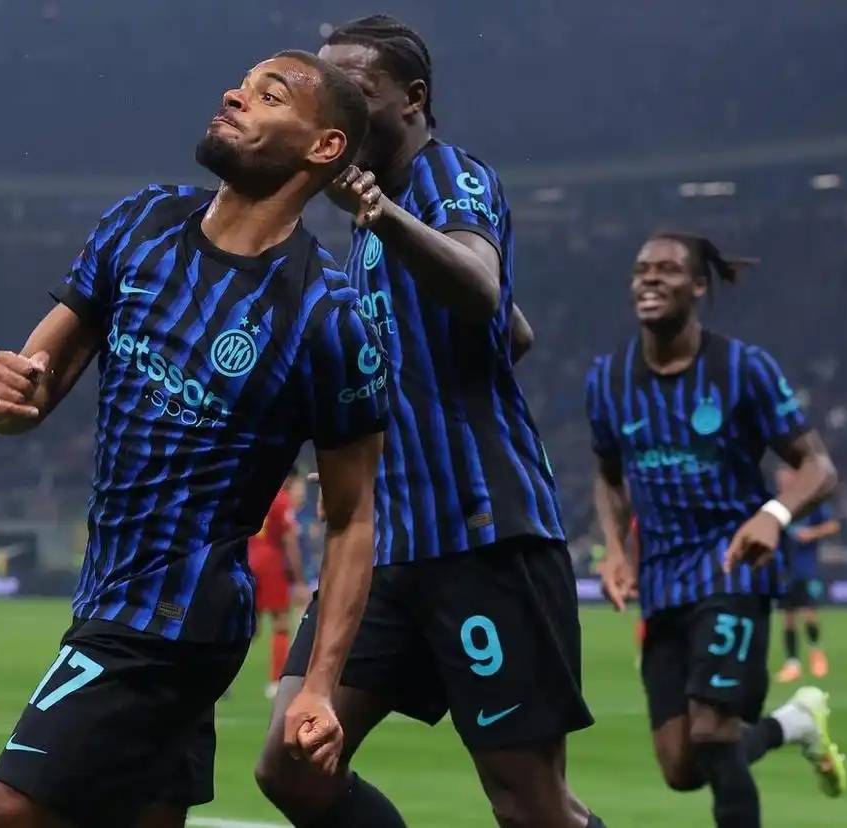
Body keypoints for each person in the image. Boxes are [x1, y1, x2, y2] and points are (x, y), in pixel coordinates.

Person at [0, 50, 389, 828]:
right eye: (241, 84)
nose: (235, 95)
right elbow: (35, 381)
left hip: (167, 619)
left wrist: (319, 685)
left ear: (324, 146)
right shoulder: (142, 222)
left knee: (4, 816)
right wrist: (8, 399)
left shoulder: (327, 318)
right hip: (108, 589)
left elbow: (352, 517)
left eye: (270, 95)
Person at [256, 16, 602, 828]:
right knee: (293, 766)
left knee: (529, 805)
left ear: (412, 99)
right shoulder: (372, 226)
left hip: (481, 538)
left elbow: (481, 287)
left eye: (356, 95)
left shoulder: (447, 177)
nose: (337, 114)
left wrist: (380, 214)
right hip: (384, 548)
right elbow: (513, 329)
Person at [588, 231, 847, 828]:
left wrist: (773, 516)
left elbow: (818, 467)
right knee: (682, 765)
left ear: (699, 286)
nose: (650, 279)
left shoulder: (743, 369)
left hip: (732, 566)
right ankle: (793, 723)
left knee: (711, 730)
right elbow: (608, 475)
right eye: (641, 269)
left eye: (667, 269)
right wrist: (615, 551)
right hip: (661, 581)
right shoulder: (608, 379)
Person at [774, 466, 840, 682]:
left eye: (787, 478)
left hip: (805, 568)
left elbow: (833, 526)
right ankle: (792, 664)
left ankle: (816, 652)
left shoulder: (811, 503)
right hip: (784, 569)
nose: (783, 482)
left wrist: (812, 533)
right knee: (788, 617)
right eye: (780, 479)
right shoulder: (777, 505)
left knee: (808, 612)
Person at [249, 467, 308, 699]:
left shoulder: (258, 494)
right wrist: (299, 579)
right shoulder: (282, 500)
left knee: (248, 626)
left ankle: (221, 675)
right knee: (281, 623)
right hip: (271, 564)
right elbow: (289, 540)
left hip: (249, 560)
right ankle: (275, 682)